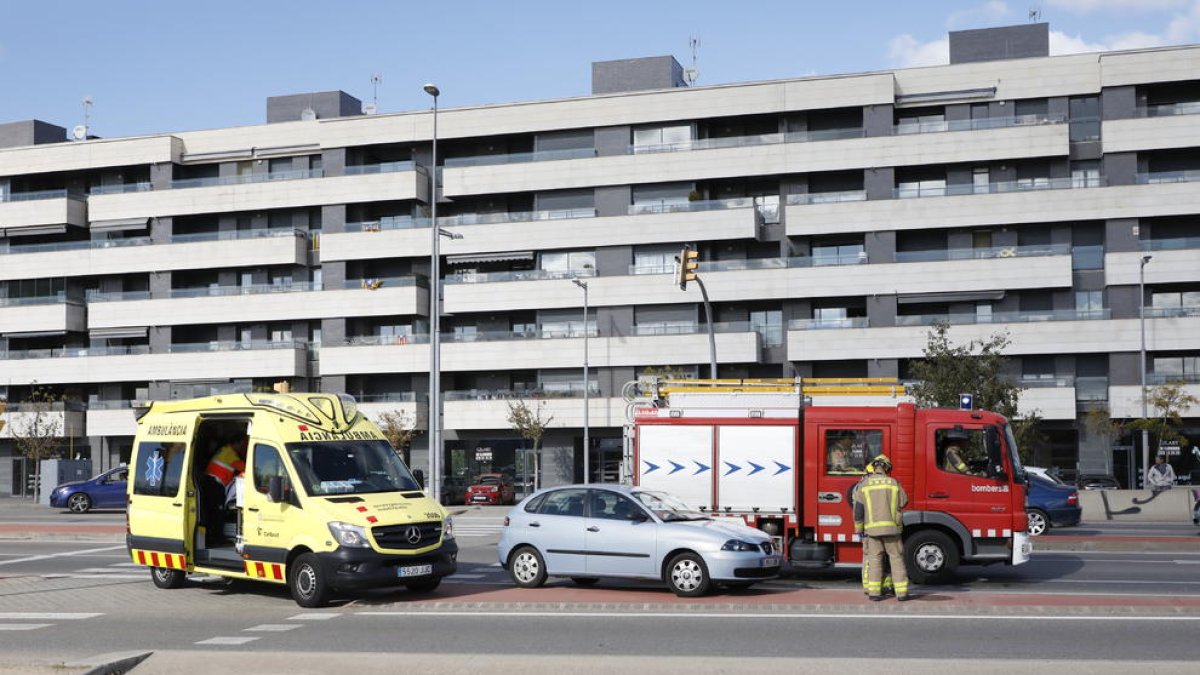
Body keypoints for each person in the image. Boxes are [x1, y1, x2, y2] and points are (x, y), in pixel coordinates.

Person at [853, 454, 910, 601]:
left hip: (872, 531)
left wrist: (859, 530)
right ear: (886, 467)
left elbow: (858, 511)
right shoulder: (894, 483)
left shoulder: (864, 485)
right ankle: (902, 593)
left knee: (874, 560)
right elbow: (904, 501)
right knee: (896, 559)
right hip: (892, 530)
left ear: (874, 467)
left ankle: (874, 593)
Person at [204, 436, 247, 545]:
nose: (241, 447)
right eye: (241, 444)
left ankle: (211, 538)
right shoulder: (230, 454)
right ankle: (218, 539)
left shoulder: (224, 449)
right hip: (215, 485)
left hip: (210, 483)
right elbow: (246, 469)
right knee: (218, 513)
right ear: (236, 443)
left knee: (212, 512)